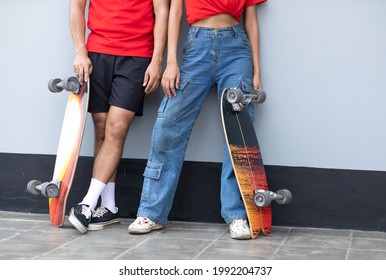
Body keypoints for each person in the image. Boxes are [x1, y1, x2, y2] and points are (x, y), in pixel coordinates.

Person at [128, 0, 267, 240]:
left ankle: (237, 215)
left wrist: (256, 71)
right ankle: (151, 211)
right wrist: (171, 61)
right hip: (196, 46)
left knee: (238, 133)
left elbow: (251, 21)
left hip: (236, 50)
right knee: (168, 126)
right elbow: (175, 11)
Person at [68, 0, 169, 234]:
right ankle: (109, 206)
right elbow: (76, 6)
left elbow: (161, 11)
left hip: (137, 56)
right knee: (102, 128)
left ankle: (87, 203)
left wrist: (157, 60)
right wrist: (80, 52)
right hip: (97, 53)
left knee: (117, 127)